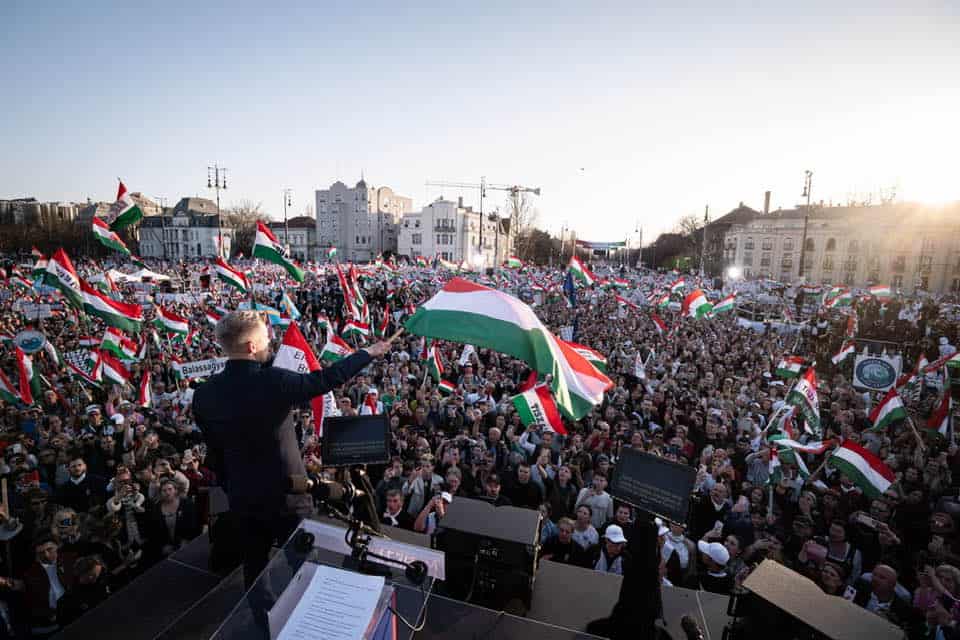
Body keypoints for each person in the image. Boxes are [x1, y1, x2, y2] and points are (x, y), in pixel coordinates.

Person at [192, 310, 394, 587]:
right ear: (252, 346)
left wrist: (232, 484)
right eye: (265, 340)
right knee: (303, 564)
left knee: (254, 567)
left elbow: (214, 451)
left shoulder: (203, 394)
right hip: (288, 494)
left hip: (243, 496)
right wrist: (367, 353)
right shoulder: (275, 381)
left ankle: (263, 622)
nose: (269, 345)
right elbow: (325, 380)